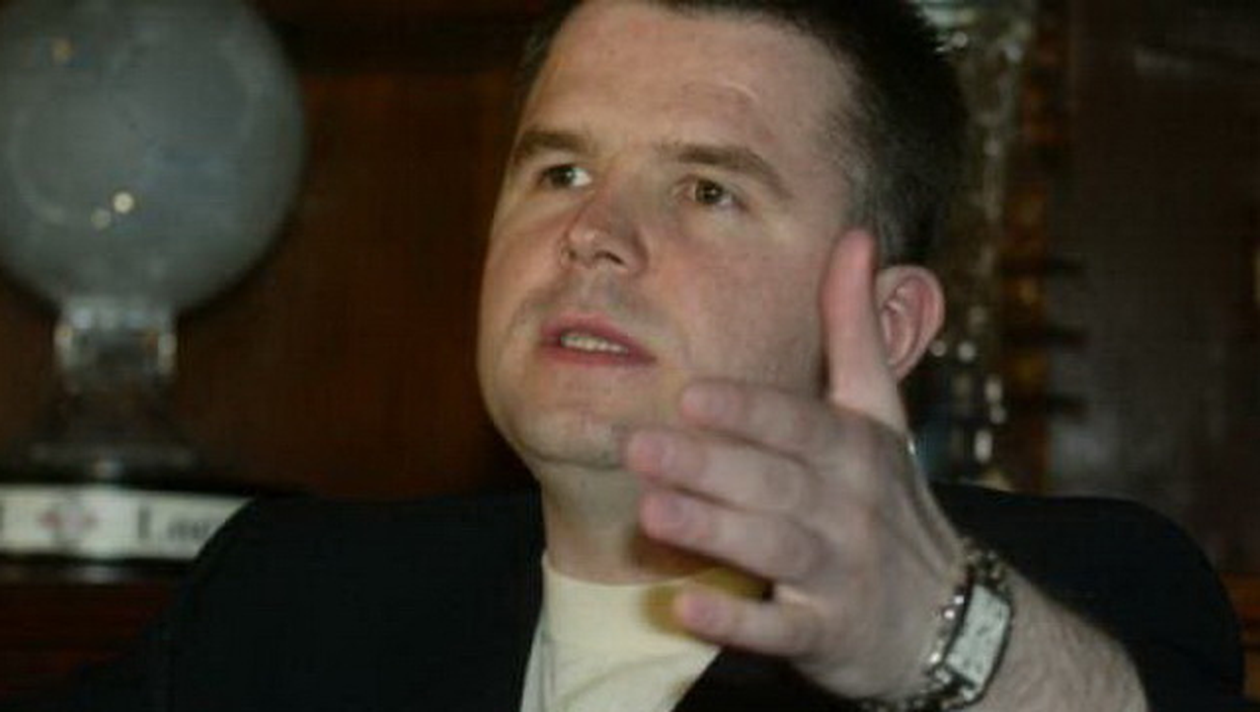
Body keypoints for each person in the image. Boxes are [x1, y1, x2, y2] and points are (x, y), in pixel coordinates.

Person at [17, 1, 1245, 710]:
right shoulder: (287, 602)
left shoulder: (1081, 592)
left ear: (885, 327)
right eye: (560, 170)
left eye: (708, 189)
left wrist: (951, 632)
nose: (593, 233)